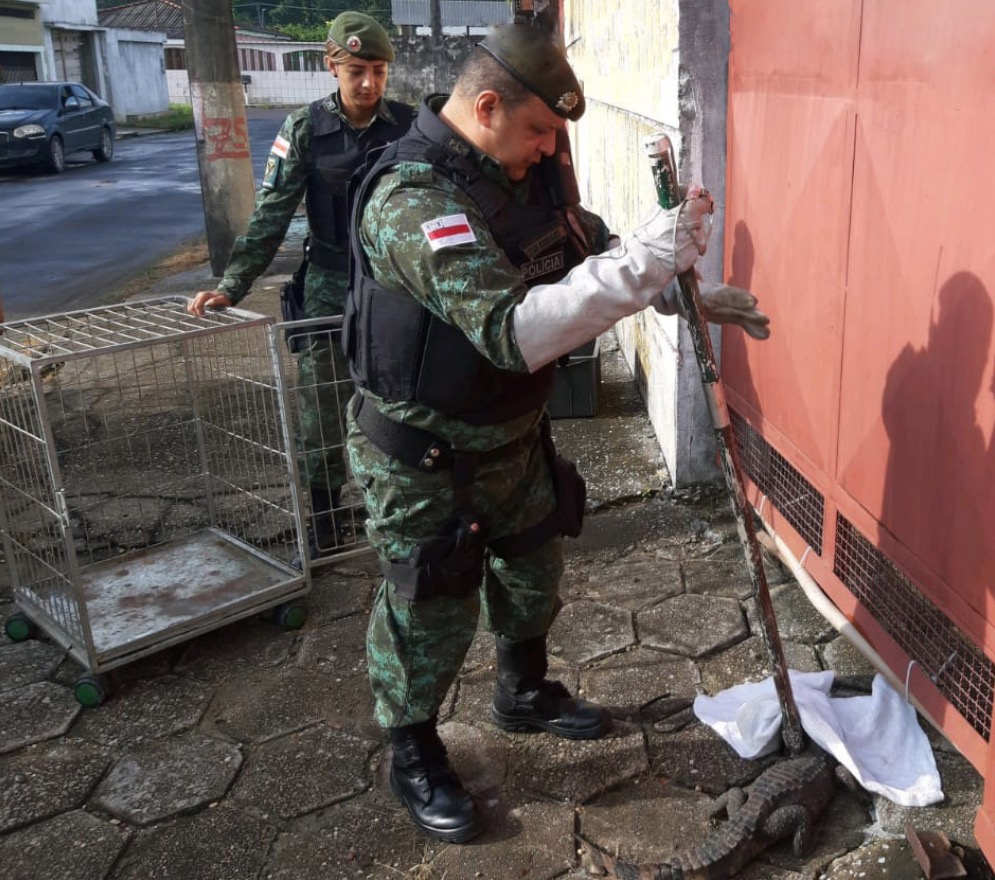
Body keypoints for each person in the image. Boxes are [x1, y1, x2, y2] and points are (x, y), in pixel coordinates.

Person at [343, 23, 771, 844]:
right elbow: (516, 330)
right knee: (429, 605)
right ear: (487, 105)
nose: (548, 149)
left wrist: (687, 294)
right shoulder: (413, 200)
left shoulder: (518, 172)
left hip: (512, 439)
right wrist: (644, 263)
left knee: (533, 568)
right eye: (539, 129)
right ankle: (413, 749)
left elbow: (586, 250)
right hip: (424, 457)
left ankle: (523, 692)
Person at [187, 11, 415, 561]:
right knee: (320, 406)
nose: (369, 83)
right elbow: (271, 214)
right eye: (357, 70)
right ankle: (325, 519)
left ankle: (406, 512)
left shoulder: (409, 125)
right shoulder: (306, 129)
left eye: (379, 71)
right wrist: (233, 284)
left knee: (404, 400)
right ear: (331, 64)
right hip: (329, 286)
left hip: (393, 288)